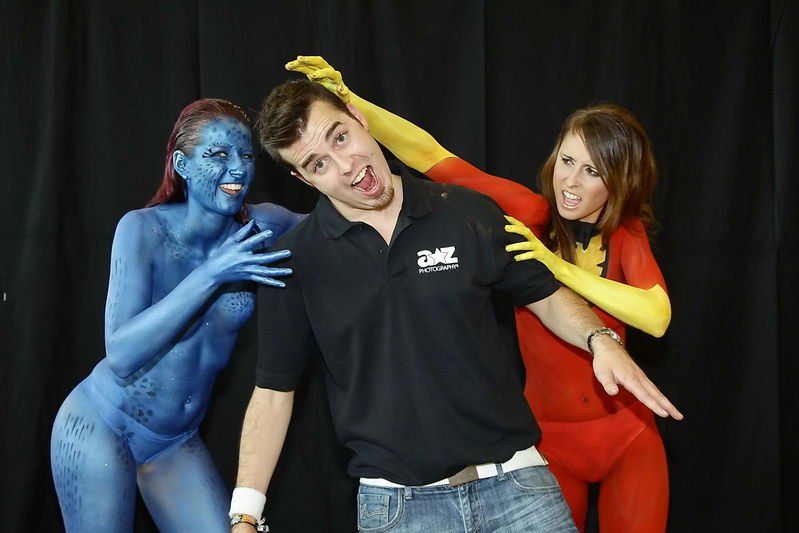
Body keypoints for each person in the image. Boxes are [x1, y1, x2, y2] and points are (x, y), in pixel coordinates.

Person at [228, 78, 681, 533]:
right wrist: (245, 516)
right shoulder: (295, 261)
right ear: (303, 179)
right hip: (398, 508)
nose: (346, 165)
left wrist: (600, 338)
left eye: (340, 137)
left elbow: (545, 297)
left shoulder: (467, 213)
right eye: (318, 163)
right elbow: (273, 392)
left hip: (517, 485)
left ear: (359, 120)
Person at [50, 99, 303, 532]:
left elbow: (340, 222)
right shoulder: (143, 229)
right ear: (182, 165)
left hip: (173, 441)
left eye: (246, 156)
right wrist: (212, 273)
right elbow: (121, 355)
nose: (238, 169)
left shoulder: (263, 227)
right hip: (102, 423)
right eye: (218, 155)